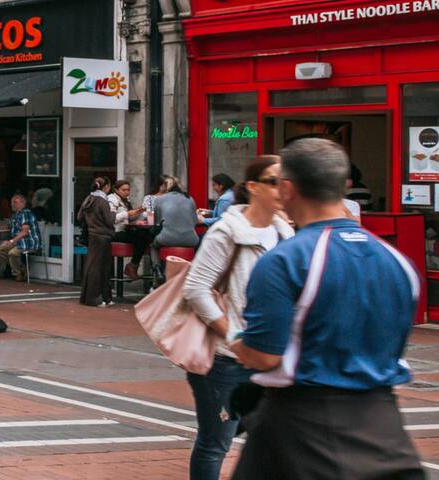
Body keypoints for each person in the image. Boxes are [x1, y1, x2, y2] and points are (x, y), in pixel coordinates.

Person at [229, 138, 424, 479]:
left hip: (303, 425)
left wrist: (235, 342)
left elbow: (264, 356)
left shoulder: (285, 260)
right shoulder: (399, 262)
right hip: (384, 426)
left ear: (288, 188)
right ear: (343, 185)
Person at [178, 156, 290, 480]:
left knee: (268, 436)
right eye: (273, 181)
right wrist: (233, 336)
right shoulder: (226, 232)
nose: (282, 188)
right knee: (217, 442)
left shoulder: (286, 235)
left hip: (269, 357)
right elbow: (196, 289)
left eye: (286, 181)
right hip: (226, 358)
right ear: (252, 187)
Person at [79, 177, 117, 306]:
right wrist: (114, 213)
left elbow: (80, 216)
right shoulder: (103, 201)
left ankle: (96, 297)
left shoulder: (89, 199)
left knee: (93, 265)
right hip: (104, 237)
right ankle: (98, 298)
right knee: (103, 268)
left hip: (93, 235)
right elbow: (109, 220)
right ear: (105, 187)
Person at [151, 176, 202, 258]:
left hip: (166, 238)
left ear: (166, 189)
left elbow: (157, 223)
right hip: (191, 240)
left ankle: (157, 268)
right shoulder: (189, 198)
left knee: (153, 246)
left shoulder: (159, 199)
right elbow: (194, 222)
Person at [109, 180, 152, 279]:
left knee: (145, 235)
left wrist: (139, 212)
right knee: (140, 238)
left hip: (124, 230)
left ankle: (133, 266)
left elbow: (130, 218)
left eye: (128, 190)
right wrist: (129, 213)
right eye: (124, 190)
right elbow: (112, 219)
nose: (126, 192)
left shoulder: (125, 200)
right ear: (116, 189)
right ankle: (132, 266)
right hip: (114, 232)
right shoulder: (112, 200)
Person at [0, 193, 41, 282]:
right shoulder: (16, 215)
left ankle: (18, 274)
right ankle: (21, 268)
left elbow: (24, 232)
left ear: (22, 203)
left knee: (12, 253)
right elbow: (13, 230)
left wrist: (11, 241)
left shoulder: (25, 213)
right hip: (19, 242)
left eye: (15, 202)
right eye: (12, 202)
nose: (12, 204)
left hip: (29, 242)